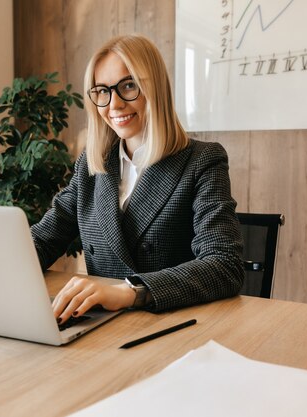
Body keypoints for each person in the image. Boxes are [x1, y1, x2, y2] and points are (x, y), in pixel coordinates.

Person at [30, 34, 244, 324]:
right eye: (102, 91)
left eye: (128, 86)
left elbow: (224, 265)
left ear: (155, 87)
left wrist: (130, 291)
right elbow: (43, 239)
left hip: (171, 327)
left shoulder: (202, 161)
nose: (114, 104)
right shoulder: (93, 165)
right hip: (100, 327)